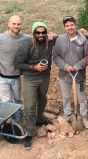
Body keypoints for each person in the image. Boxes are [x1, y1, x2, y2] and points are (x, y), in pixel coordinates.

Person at [0, 15, 30, 124]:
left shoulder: (26, 39)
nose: (16, 26)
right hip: (1, 77)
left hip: (16, 76)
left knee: (17, 99)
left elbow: (38, 39)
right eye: (14, 24)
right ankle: (14, 124)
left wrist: (50, 37)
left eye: (18, 24)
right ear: (8, 24)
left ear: (21, 25)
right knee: (7, 102)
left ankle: (19, 116)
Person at [15, 22, 57, 150]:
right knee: (30, 106)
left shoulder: (49, 41)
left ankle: (40, 118)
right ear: (33, 33)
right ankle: (30, 133)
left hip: (45, 78)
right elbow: (18, 64)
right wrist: (34, 67)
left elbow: (65, 36)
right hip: (30, 79)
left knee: (42, 100)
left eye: (43, 32)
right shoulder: (27, 46)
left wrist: (80, 32)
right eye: (38, 32)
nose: (41, 35)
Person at [53, 16, 88, 128]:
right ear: (64, 27)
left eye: (72, 25)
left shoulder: (83, 40)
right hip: (65, 75)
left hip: (79, 74)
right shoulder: (60, 40)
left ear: (75, 25)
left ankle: (83, 116)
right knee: (66, 97)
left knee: (82, 97)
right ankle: (68, 115)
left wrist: (77, 66)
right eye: (67, 25)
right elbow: (56, 56)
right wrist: (65, 66)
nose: (70, 27)